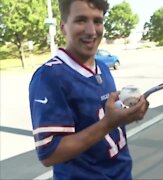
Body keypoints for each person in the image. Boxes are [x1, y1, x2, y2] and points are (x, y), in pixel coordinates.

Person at [28, 0, 149, 179]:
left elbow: (104, 119)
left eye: (97, 21)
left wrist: (129, 113)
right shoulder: (50, 76)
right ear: (63, 27)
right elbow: (49, 153)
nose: (92, 31)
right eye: (81, 20)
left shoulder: (103, 68)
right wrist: (108, 123)